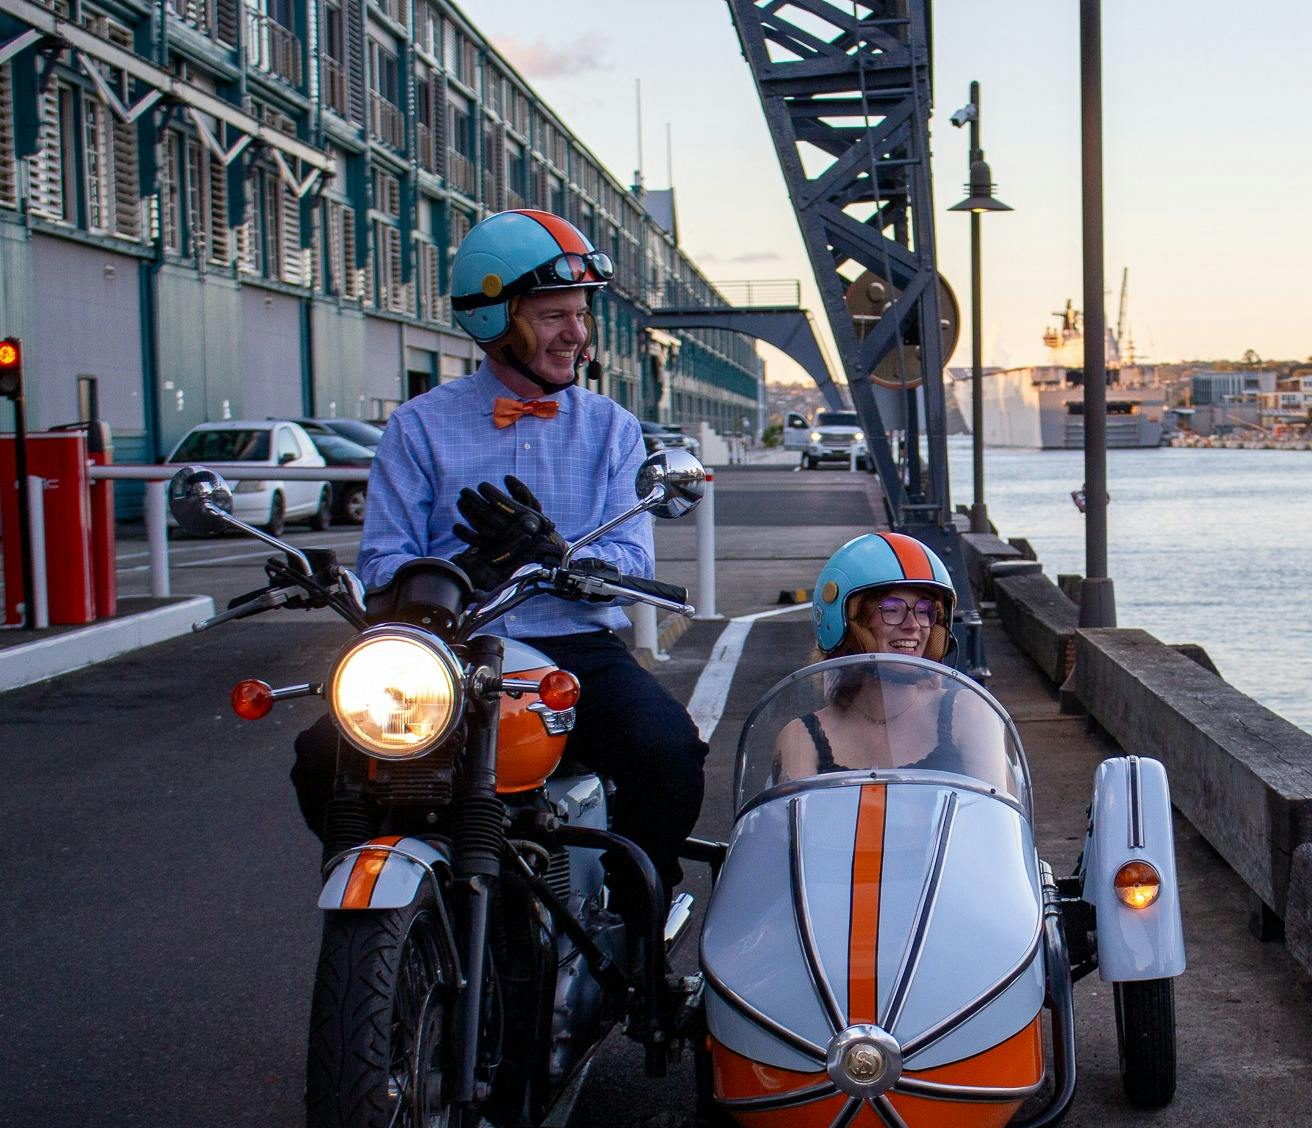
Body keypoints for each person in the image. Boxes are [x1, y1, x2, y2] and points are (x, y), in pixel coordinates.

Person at [291, 208, 708, 895]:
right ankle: (384, 919)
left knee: (668, 751)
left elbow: (635, 564)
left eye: (580, 314)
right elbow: (382, 562)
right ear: (496, 320)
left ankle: (639, 918)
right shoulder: (418, 427)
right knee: (318, 759)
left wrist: (561, 555)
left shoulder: (612, 427)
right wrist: (458, 577)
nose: (576, 334)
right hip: (448, 653)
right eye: (553, 316)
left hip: (577, 647)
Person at [775, 532, 1008, 783]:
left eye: (925, 611)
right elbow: (791, 820)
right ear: (849, 625)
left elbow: (1000, 817)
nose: (913, 625)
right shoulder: (802, 737)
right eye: (891, 609)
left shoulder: (968, 713)